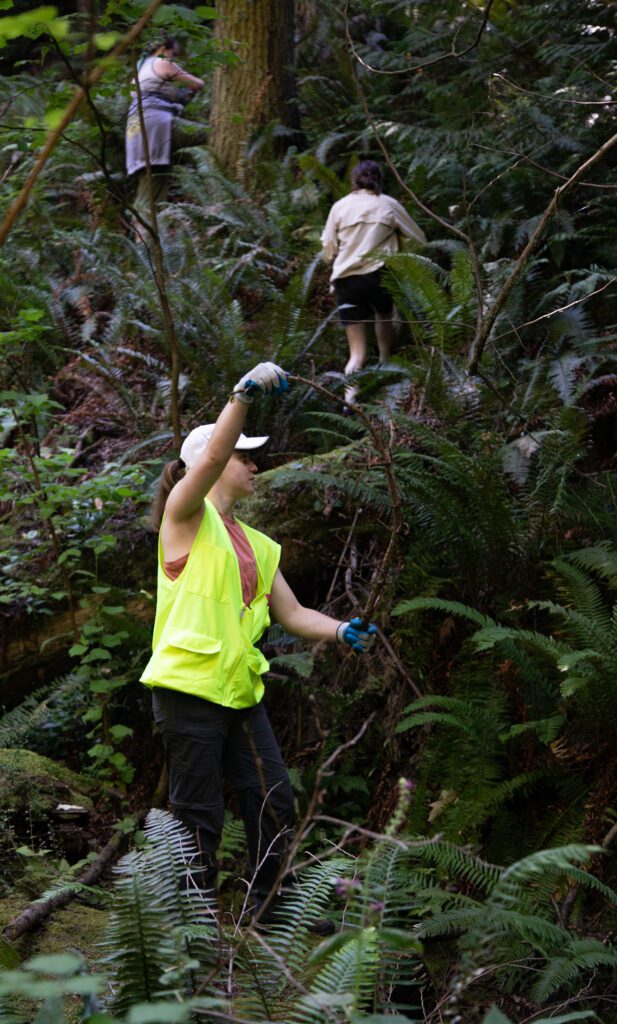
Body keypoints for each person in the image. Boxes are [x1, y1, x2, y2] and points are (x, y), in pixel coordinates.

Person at [140, 361, 377, 925]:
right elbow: (216, 455)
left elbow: (293, 615)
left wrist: (342, 630)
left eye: (253, 456)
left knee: (273, 796)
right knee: (199, 817)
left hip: (240, 693)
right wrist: (241, 394)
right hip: (188, 690)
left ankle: (270, 909)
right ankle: (193, 934)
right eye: (245, 455)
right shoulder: (184, 517)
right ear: (206, 464)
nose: (253, 464)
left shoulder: (259, 545)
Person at [321, 159, 426, 404]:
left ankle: (350, 403)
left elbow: (328, 246)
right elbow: (419, 239)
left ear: (353, 180)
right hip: (380, 274)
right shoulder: (388, 204)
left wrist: (333, 260)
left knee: (356, 353)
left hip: (347, 280)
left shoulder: (340, 206)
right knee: (384, 315)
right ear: (379, 179)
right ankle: (385, 368)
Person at [125, 35, 207, 240]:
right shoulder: (161, 62)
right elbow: (197, 83)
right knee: (210, 134)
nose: (173, 57)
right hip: (155, 122)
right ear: (163, 48)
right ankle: (145, 241)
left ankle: (141, 239)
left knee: (150, 179)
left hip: (135, 126)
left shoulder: (140, 69)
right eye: (173, 53)